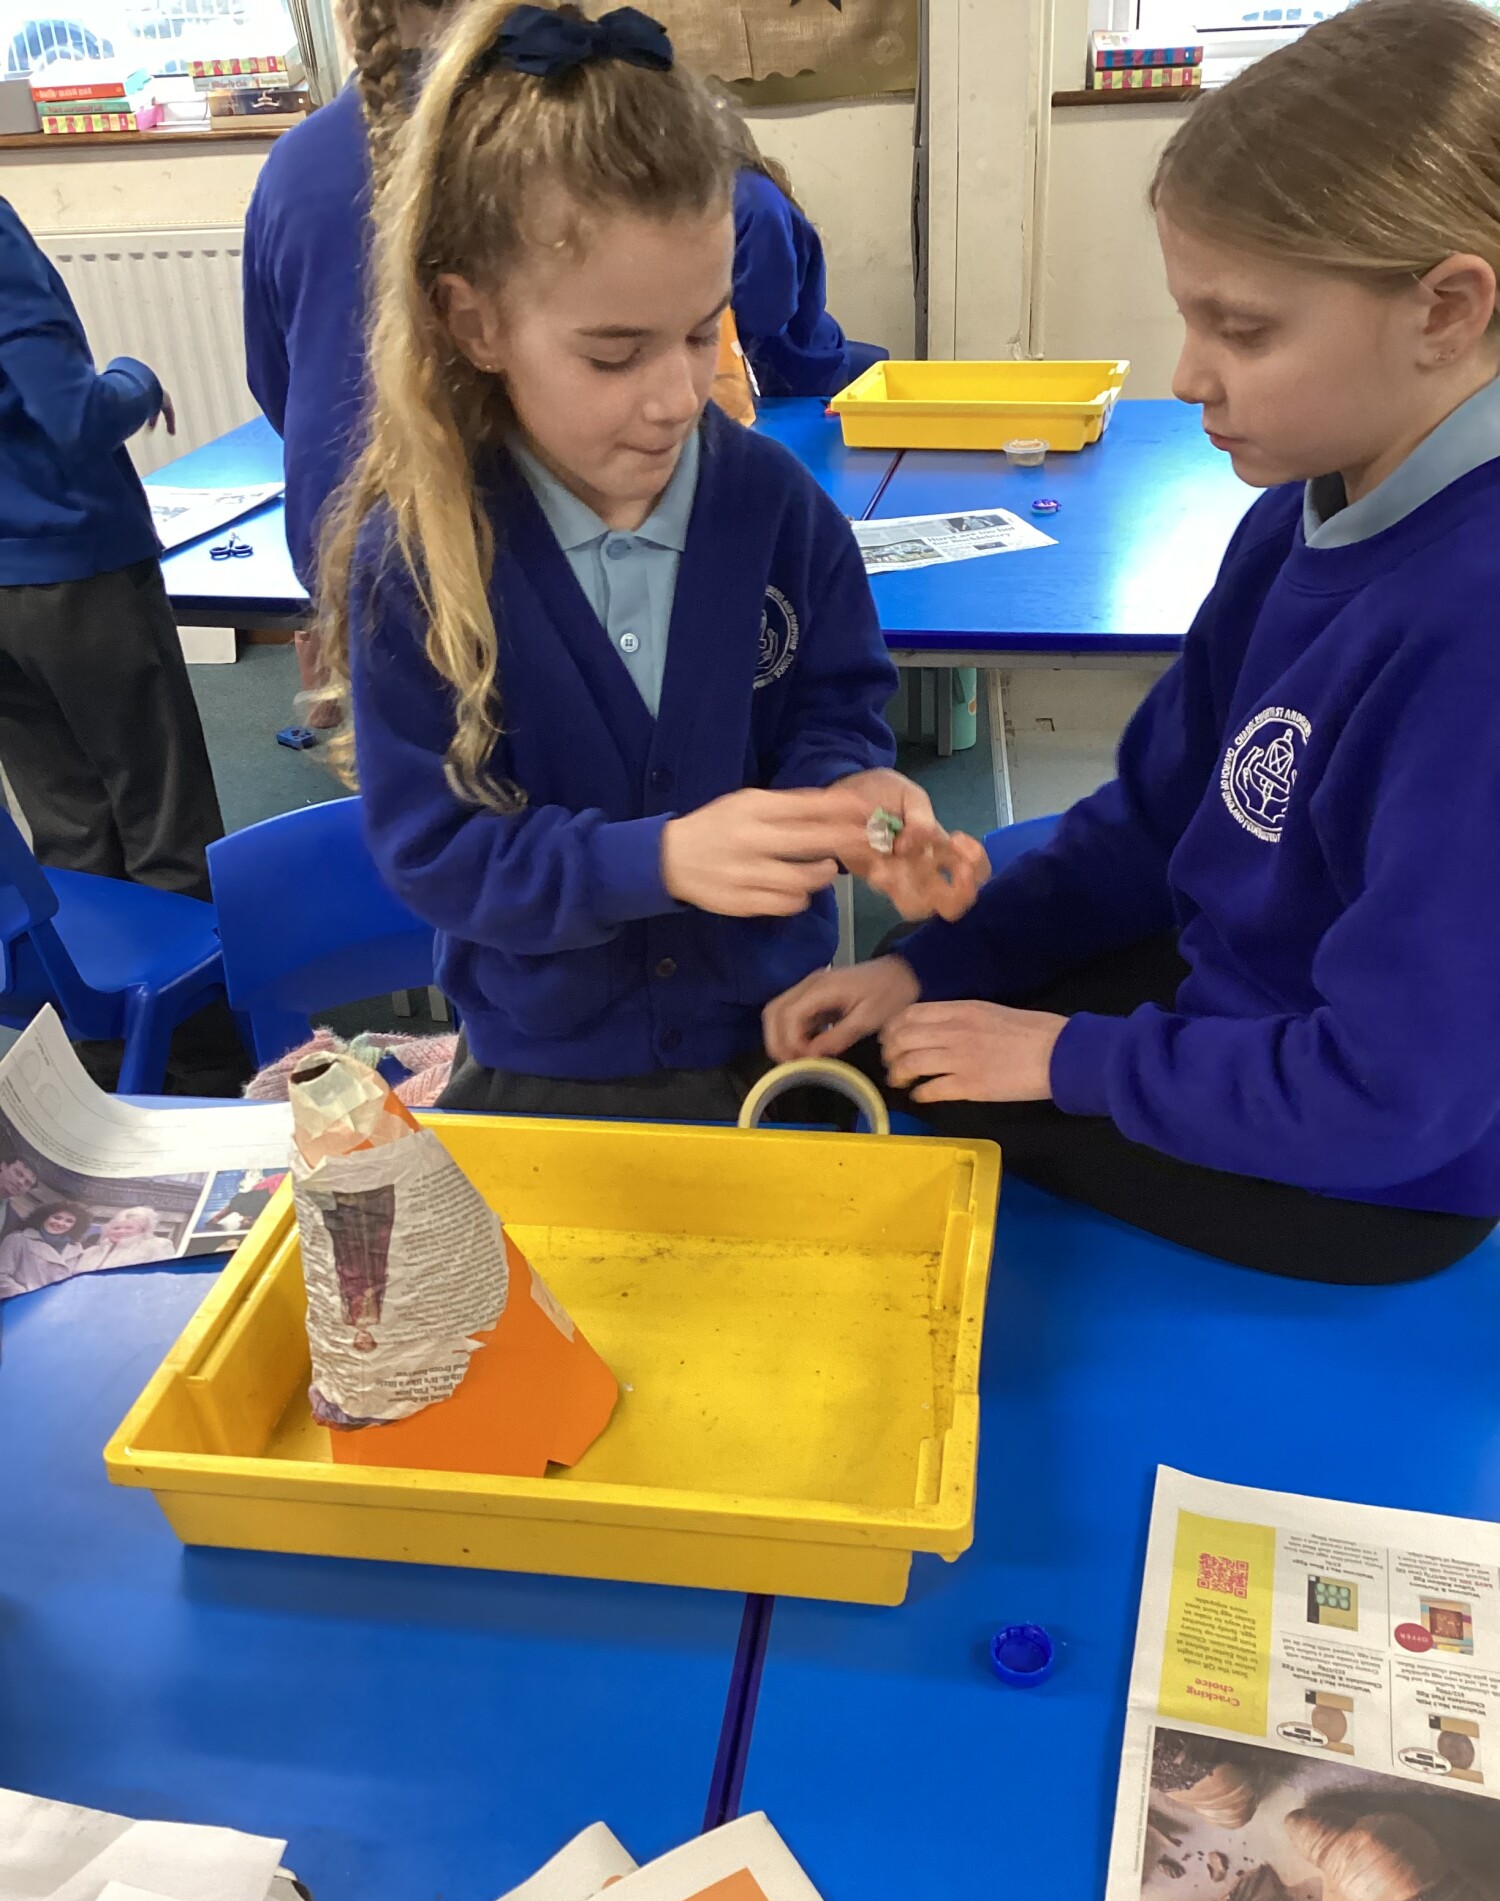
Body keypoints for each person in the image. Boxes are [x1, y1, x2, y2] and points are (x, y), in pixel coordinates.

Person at [766, 0, 1500, 1286]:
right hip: (1253, 1006)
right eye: (1191, 318)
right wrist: (946, 961)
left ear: (1445, 309)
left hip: (1370, 1169)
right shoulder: (1300, 507)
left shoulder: (1470, 633)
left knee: (871, 1110)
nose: (1189, 375)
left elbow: (1396, 1094)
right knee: (903, 1000)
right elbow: (1159, 818)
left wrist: (1068, 1057)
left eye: (1244, 329)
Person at [318, 0, 985, 1123]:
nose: (677, 396)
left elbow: (835, 713)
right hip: (546, 1070)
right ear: (475, 323)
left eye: (700, 332)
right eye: (614, 354)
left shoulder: (776, 509)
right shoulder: (422, 558)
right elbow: (438, 851)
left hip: (769, 1040)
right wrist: (657, 861)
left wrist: (855, 804)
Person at [0, 196, 225, 900]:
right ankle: (198, 976)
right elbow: (75, 416)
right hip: (71, 567)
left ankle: (105, 975)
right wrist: (138, 379)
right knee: (165, 821)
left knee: (66, 821)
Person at [241, 0, 462, 705]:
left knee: (389, 740)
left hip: (337, 522)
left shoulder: (293, 161)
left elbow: (272, 377)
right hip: (478, 517)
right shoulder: (520, 131)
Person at [719, 107, 887, 400]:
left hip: (789, 371)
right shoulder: (739, 195)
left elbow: (763, 317)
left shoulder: (755, 205)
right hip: (778, 355)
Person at [0, 1201, 87, 1297]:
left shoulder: (76, 1249)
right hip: (18, 1301)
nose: (60, 1223)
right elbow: (2, 1274)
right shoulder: (18, 1239)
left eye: (69, 1221)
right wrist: (25, 1295)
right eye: (56, 1217)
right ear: (44, 1217)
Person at [76, 1205, 177, 1272]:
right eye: (116, 1228)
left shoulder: (155, 1246)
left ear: (142, 1230)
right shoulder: (90, 1252)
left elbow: (162, 1278)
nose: (121, 1231)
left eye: (129, 1228)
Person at [0, 1154, 38, 1241]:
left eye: (27, 1183)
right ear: (3, 1166)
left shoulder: (12, 1221)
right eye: (17, 1173)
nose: (21, 1182)